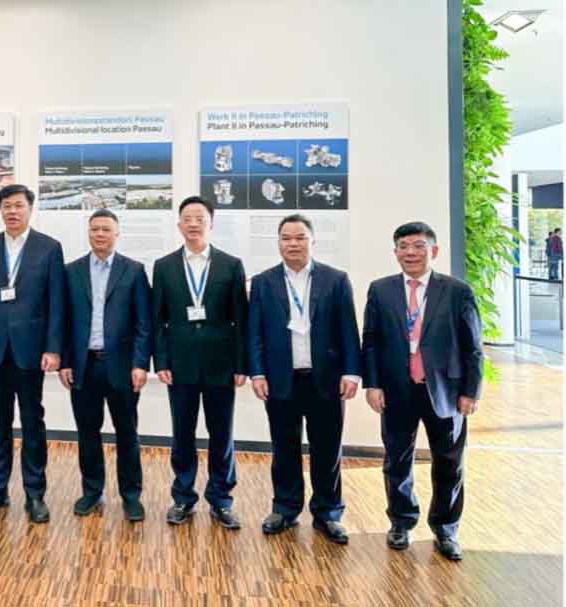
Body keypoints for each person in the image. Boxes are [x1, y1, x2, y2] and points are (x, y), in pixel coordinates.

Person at [363, 221, 483, 561]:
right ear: (395, 252)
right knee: (397, 461)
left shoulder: (457, 291)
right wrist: (372, 384)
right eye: (403, 246)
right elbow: (370, 341)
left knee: (449, 463)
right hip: (397, 391)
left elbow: (473, 346)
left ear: (434, 250)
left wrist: (471, 391)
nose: (410, 253)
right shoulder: (381, 290)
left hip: (446, 392)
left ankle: (446, 528)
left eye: (418, 245)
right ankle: (401, 522)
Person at [247, 214, 361, 544]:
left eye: (300, 238)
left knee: (327, 449)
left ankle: (329, 513)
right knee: (284, 447)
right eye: (286, 238)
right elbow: (254, 332)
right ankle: (285, 508)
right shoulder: (263, 282)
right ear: (278, 243)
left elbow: (348, 330)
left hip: (326, 380)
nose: (293, 244)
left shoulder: (336, 280)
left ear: (312, 241)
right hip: (281, 379)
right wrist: (257, 372)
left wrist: (351, 372)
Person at [0, 184, 66, 524]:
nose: (12, 211)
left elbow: (56, 303)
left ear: (30, 209)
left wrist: (53, 348)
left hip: (31, 349)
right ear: (0, 210)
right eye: (6, 206)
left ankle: (35, 493)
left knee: (32, 422)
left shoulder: (49, 248)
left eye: (18, 206)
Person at [152, 195, 247, 527]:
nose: (193, 224)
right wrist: (161, 361)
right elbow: (158, 319)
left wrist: (241, 365)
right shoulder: (163, 266)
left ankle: (221, 499)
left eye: (200, 218)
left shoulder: (231, 265)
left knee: (222, 434)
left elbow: (241, 319)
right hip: (179, 365)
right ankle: (183, 497)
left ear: (211, 224)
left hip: (221, 364)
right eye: (187, 218)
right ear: (179, 225)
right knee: (182, 433)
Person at [58, 209, 151, 522]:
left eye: (106, 229)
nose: (100, 234)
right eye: (95, 229)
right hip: (83, 366)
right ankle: (91, 491)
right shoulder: (71, 271)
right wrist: (65, 361)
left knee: (127, 432)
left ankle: (131, 496)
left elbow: (143, 323)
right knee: (87, 432)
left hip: (122, 367)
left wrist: (140, 364)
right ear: (89, 232)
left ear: (117, 234)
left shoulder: (134, 271)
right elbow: (64, 321)